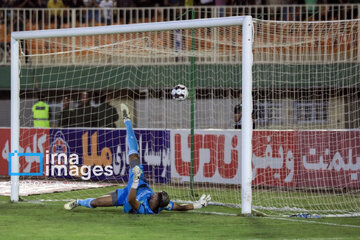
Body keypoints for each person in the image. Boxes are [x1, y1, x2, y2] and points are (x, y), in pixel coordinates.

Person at [64, 104, 211, 214]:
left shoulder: (143, 209)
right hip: (140, 182)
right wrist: (198, 205)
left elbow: (130, 200)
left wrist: (134, 181)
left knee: (96, 202)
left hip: (127, 195)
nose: (154, 193)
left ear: (156, 202)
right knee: (134, 155)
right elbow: (180, 207)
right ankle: (127, 120)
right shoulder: (164, 204)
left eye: (156, 195)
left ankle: (77, 202)